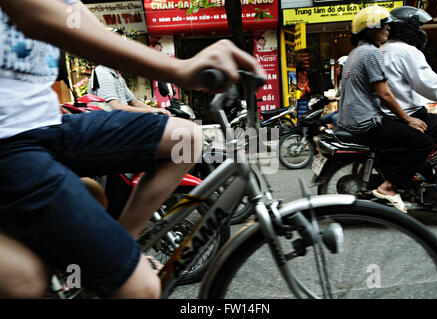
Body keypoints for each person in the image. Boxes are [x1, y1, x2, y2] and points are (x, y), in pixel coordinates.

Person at [0, 0, 264, 298]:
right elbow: (43, 16)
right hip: (10, 140)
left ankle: (127, 241)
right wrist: (180, 69)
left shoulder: (117, 73)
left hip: (50, 125)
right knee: (139, 290)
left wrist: (158, 112)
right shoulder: (102, 71)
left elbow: (79, 20)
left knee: (186, 138)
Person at [337, 5, 432, 213]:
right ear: (370, 29)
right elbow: (384, 93)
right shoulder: (372, 53)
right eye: (384, 25)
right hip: (367, 122)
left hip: (351, 119)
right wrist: (408, 119)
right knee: (422, 142)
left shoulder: (354, 53)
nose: (388, 28)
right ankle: (388, 187)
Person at [380, 6, 437, 206]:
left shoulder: (382, 50)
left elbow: (408, 87)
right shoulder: (405, 51)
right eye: (418, 25)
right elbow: (430, 85)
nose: (422, 29)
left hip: (390, 115)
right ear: (408, 28)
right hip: (406, 116)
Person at [88, 64, 171, 115]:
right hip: (113, 131)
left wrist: (155, 110)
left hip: (122, 124)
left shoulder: (117, 75)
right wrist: (151, 111)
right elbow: (114, 107)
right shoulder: (103, 73)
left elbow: (134, 102)